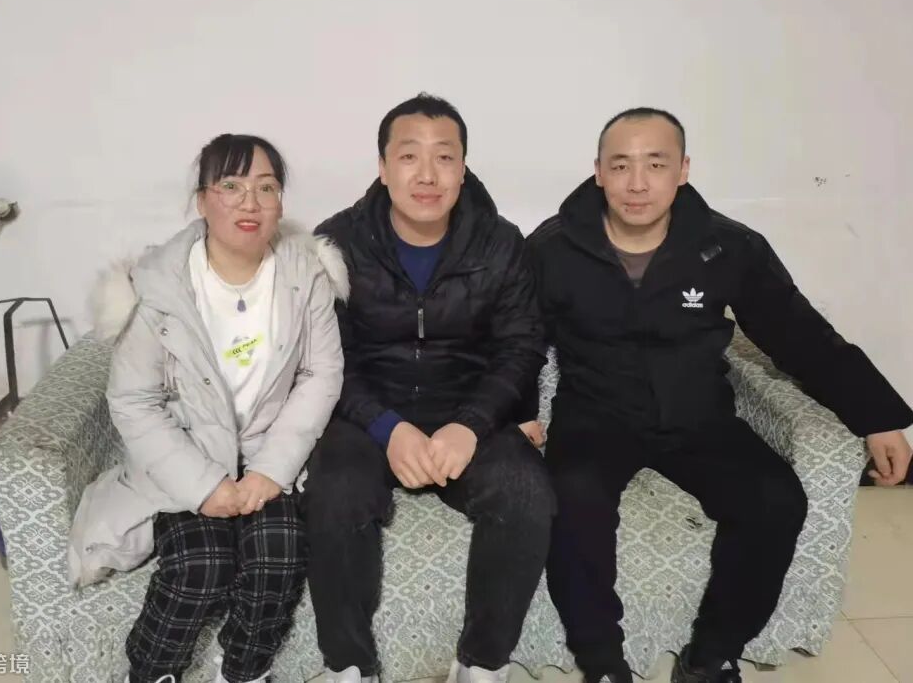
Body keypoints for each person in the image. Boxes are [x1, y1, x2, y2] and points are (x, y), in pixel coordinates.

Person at [526, 108, 913, 683]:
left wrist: (877, 417)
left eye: (656, 164)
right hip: (596, 416)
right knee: (571, 498)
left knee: (776, 500)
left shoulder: (728, 246)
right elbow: (517, 339)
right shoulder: (552, 248)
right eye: (621, 166)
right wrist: (518, 412)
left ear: (683, 170)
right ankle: (603, 663)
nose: (638, 183)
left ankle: (711, 656)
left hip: (698, 417)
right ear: (599, 172)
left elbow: (800, 335)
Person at [68, 134, 347, 683]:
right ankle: (150, 671)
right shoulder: (156, 286)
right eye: (231, 186)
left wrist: (270, 471)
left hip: (267, 454)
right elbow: (134, 400)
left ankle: (243, 671)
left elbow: (321, 374)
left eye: (266, 188)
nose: (250, 203)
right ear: (202, 200)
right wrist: (203, 485)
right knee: (202, 566)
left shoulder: (305, 273)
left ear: (281, 202)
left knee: (278, 558)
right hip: (186, 453)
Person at [303, 93, 555, 683]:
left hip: (466, 412)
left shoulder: (500, 242)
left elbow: (521, 347)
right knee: (334, 494)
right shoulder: (336, 243)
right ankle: (349, 667)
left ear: (463, 168)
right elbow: (323, 356)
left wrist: (470, 424)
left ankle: (481, 664)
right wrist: (387, 428)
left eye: (444, 157)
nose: (427, 174)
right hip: (367, 414)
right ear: (382, 167)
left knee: (527, 493)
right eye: (409, 156)